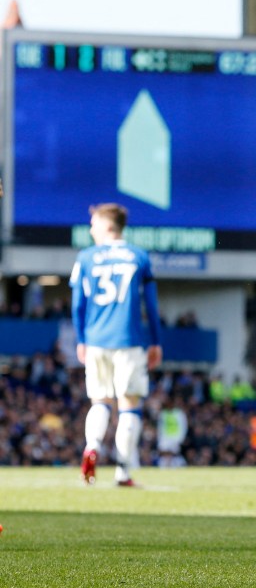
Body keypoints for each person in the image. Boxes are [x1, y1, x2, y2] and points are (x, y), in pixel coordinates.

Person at [70, 203, 162, 486]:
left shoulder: (85, 257)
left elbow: (77, 305)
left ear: (108, 225)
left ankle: (93, 446)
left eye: (94, 224)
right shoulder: (139, 256)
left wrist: (81, 339)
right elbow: (151, 304)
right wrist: (156, 341)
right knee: (129, 405)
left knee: (99, 401)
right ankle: (123, 472)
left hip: (96, 339)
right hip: (129, 340)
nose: (90, 229)